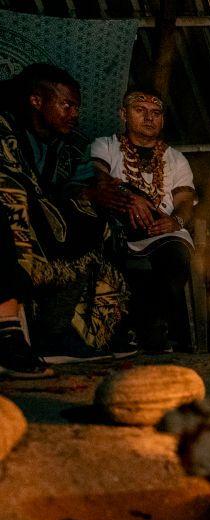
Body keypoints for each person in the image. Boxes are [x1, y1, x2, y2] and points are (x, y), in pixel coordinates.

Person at [0, 63, 129, 376]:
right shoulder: (5, 128)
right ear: (37, 101)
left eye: (77, 107)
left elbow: (83, 181)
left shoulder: (68, 144)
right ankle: (8, 333)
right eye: (67, 105)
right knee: (12, 202)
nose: (74, 114)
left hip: (45, 220)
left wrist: (93, 192)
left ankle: (56, 334)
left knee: (97, 220)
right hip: (14, 220)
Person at [90, 87, 196, 354]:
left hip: (163, 231)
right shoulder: (105, 145)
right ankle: (120, 332)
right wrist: (129, 196)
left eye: (156, 113)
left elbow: (184, 200)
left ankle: (158, 331)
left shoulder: (175, 158)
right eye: (141, 110)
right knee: (106, 250)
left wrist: (177, 221)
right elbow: (97, 178)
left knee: (175, 256)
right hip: (119, 229)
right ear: (123, 114)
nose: (149, 118)